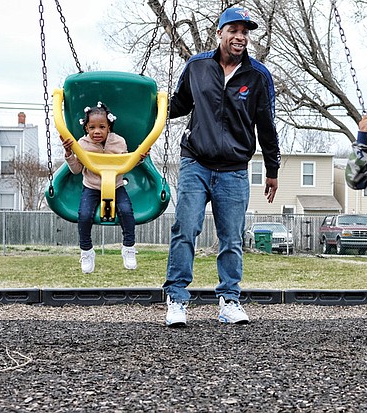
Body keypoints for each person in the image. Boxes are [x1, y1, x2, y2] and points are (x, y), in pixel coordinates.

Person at [163, 7, 281, 327]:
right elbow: (179, 105)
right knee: (185, 229)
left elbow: (266, 125)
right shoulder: (197, 66)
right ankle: (176, 299)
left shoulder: (258, 75)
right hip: (195, 162)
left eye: (245, 32)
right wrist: (150, 111)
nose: (240, 37)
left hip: (234, 169)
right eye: (234, 30)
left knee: (232, 238)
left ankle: (229, 300)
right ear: (220, 34)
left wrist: (272, 169)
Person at [62, 101, 145, 274]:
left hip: (116, 185)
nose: (97, 131)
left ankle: (128, 248)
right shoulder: (82, 144)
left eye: (102, 127)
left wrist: (138, 158)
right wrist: (69, 154)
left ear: (109, 127)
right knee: (84, 215)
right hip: (91, 186)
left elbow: (127, 164)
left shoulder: (119, 142)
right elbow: (77, 170)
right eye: (92, 127)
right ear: (86, 128)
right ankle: (86, 251)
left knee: (126, 211)